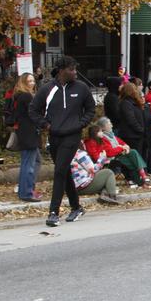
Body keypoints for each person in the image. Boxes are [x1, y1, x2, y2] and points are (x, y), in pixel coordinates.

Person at [29, 56, 96, 227]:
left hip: (72, 135)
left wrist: (81, 124)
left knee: (59, 170)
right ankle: (76, 207)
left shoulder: (81, 88)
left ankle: (53, 212)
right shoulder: (47, 89)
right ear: (61, 71)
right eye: (71, 69)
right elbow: (33, 110)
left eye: (75, 69)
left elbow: (90, 109)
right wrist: (45, 125)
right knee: (64, 171)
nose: (74, 72)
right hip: (55, 135)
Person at [87, 117, 150, 187]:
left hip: (118, 155)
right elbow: (109, 152)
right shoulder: (103, 138)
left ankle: (140, 179)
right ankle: (141, 177)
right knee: (132, 157)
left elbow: (122, 142)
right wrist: (121, 148)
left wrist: (126, 147)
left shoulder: (111, 135)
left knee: (132, 154)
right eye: (109, 124)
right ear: (103, 127)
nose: (112, 125)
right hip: (111, 158)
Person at [10, 72, 42, 202]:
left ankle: (27, 188)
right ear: (23, 82)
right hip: (29, 133)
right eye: (29, 81)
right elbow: (34, 114)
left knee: (34, 161)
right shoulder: (26, 96)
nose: (32, 83)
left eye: (33, 81)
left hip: (25, 132)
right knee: (28, 164)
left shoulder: (19, 96)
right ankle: (26, 192)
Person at [70, 137, 120, 205]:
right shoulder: (80, 154)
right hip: (82, 186)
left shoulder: (67, 154)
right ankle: (111, 196)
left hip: (72, 187)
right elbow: (93, 169)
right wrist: (102, 158)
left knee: (106, 180)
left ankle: (105, 195)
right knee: (108, 173)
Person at [116, 82, 147, 159]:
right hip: (131, 136)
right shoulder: (126, 103)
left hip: (136, 135)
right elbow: (131, 120)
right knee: (133, 158)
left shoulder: (133, 102)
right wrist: (140, 129)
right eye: (135, 89)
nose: (136, 91)